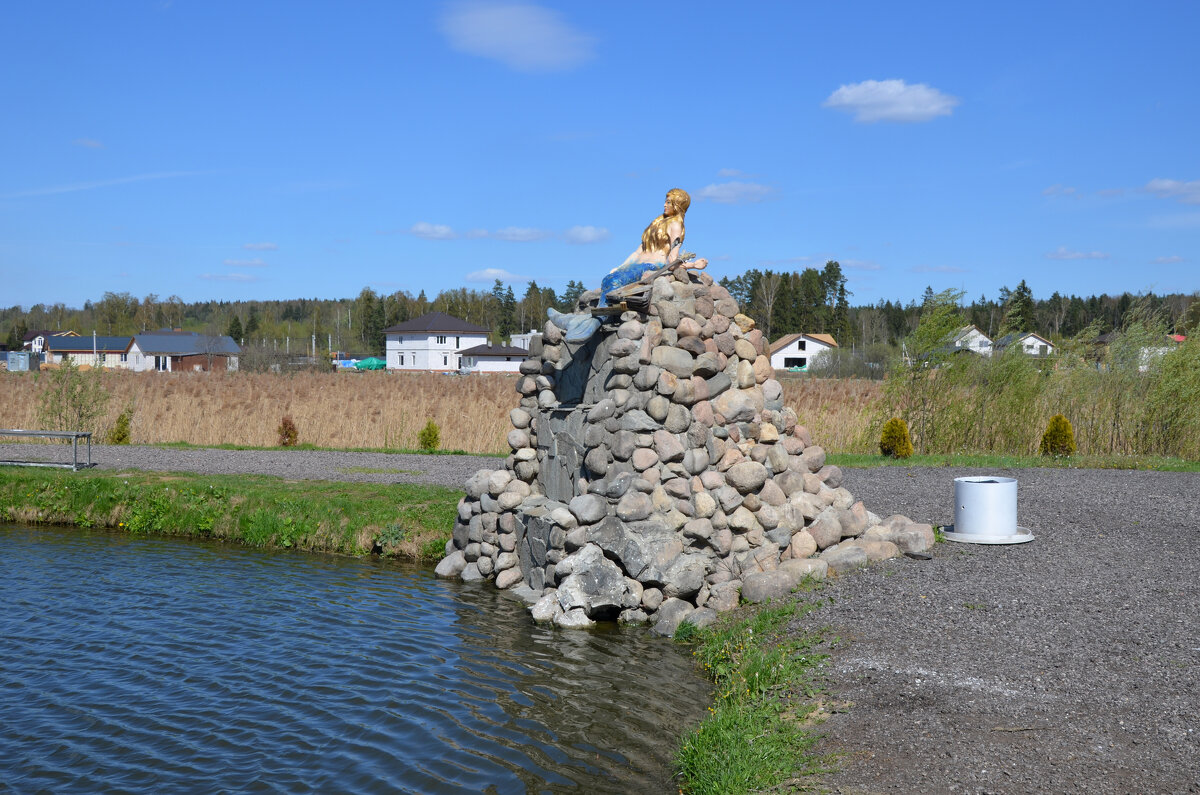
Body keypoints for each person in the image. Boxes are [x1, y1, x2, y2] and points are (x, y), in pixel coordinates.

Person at [549, 189, 707, 342]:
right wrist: (620, 267)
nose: (665, 205)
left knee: (614, 282)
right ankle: (579, 321)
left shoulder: (676, 225)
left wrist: (693, 264)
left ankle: (589, 325)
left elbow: (672, 260)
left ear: (678, 205)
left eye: (669, 202)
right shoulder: (657, 222)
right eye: (665, 202)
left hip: (651, 267)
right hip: (637, 264)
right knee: (609, 278)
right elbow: (638, 252)